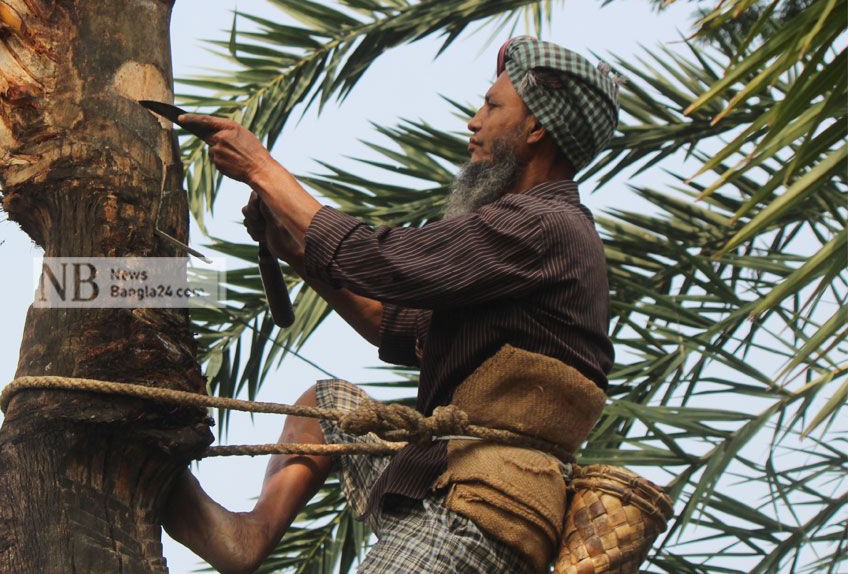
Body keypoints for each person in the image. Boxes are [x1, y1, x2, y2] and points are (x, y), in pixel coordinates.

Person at [164, 37, 622, 573]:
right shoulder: (533, 231)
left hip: (477, 512)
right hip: (442, 474)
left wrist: (260, 168)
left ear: (537, 128)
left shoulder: (542, 225)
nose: (474, 122)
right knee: (328, 407)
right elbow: (392, 324)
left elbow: (389, 262)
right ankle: (249, 537)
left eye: (492, 106)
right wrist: (299, 255)